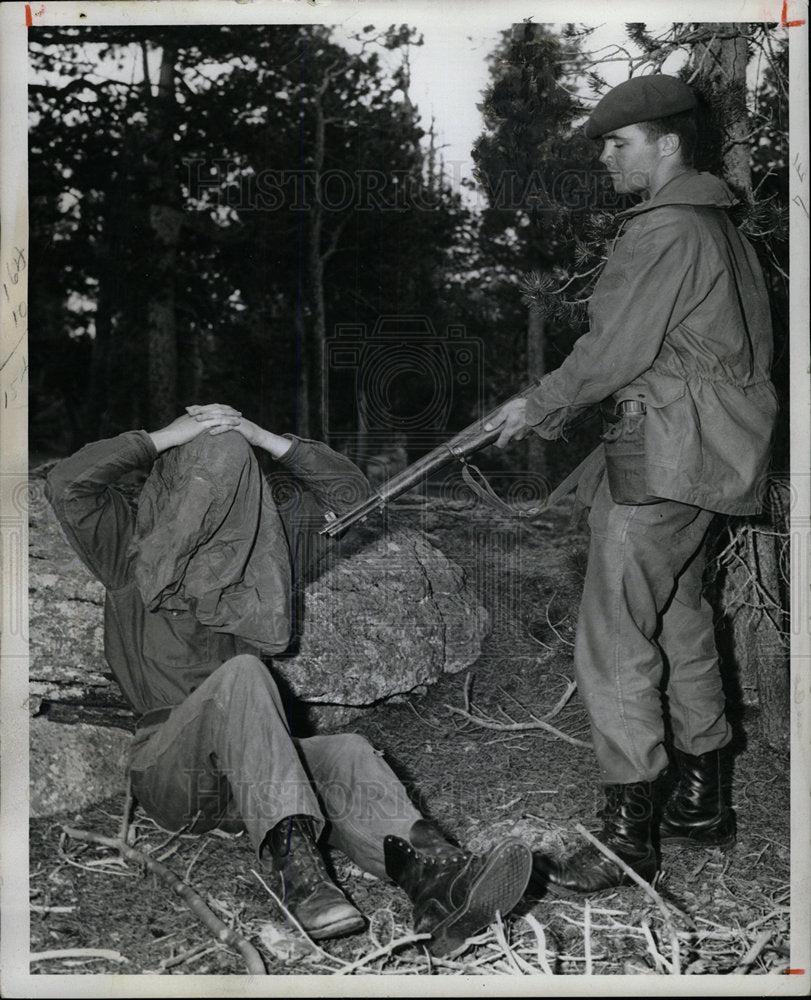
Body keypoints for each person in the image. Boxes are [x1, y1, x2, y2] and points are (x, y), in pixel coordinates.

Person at [46, 404, 532, 956]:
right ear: (167, 486)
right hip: (171, 770)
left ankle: (439, 882)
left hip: (256, 775)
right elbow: (67, 483)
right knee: (245, 675)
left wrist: (263, 437)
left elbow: (352, 499)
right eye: (198, 480)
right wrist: (166, 437)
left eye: (230, 483)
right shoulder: (126, 550)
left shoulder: (263, 558)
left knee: (347, 749)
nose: (212, 498)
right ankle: (299, 875)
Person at [485, 75, 778, 895]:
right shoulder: (722, 230)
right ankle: (699, 802)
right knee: (681, 619)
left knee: (612, 636)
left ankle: (626, 835)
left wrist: (537, 402)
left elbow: (615, 350)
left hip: (665, 453)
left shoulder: (663, 231)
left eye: (618, 143)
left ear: (667, 144)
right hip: (710, 458)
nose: (606, 157)